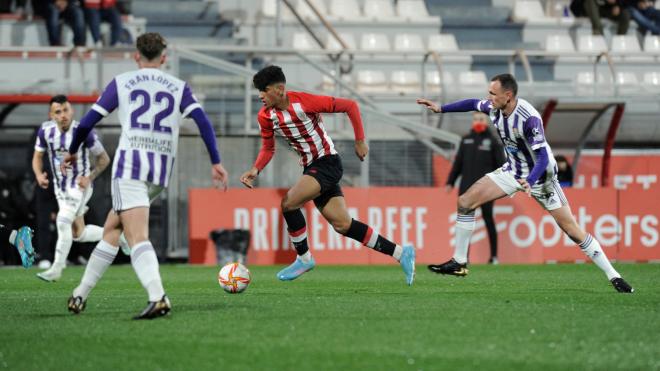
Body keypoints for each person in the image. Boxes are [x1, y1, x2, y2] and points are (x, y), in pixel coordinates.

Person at [416, 73, 634, 293]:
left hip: (541, 178)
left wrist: (529, 181)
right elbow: (472, 103)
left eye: (493, 93)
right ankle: (459, 262)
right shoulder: (494, 107)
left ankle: (613, 275)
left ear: (508, 95)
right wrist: (440, 108)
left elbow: (544, 158)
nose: (488, 97)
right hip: (512, 171)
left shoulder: (529, 119)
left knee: (572, 230)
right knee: (465, 201)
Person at [62, 32, 229, 319]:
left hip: (131, 167)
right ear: (164, 58)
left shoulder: (123, 82)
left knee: (136, 236)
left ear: (136, 56)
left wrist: (74, 151)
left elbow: (86, 123)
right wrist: (215, 161)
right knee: (112, 229)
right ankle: (80, 293)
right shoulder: (179, 87)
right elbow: (203, 121)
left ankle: (157, 296)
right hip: (160, 171)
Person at [239, 65, 416, 285]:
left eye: (264, 91)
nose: (260, 96)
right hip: (311, 168)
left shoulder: (304, 102)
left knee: (288, 203)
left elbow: (350, 106)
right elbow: (268, 148)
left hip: (327, 163)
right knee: (343, 224)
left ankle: (304, 259)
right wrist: (255, 169)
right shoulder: (265, 116)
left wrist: (360, 140)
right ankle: (401, 253)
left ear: (279, 89)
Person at [32, 95, 111, 282]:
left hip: (79, 186)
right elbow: (37, 156)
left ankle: (57, 268)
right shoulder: (45, 131)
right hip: (61, 189)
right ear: (51, 115)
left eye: (66, 110)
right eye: (58, 112)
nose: (63, 115)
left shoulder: (83, 131)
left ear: (72, 110)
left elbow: (104, 159)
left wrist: (89, 177)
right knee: (79, 234)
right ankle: (120, 235)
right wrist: (38, 174)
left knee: (62, 220)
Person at [432, 111, 505, 268]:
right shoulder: (466, 140)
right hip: (466, 188)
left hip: (487, 188)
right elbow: (458, 163)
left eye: (481, 119)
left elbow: (502, 165)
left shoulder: (493, 141)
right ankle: (463, 257)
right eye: (475, 119)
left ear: (486, 122)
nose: (478, 121)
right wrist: (450, 182)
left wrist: (503, 184)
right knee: (465, 222)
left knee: (488, 219)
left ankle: (494, 257)